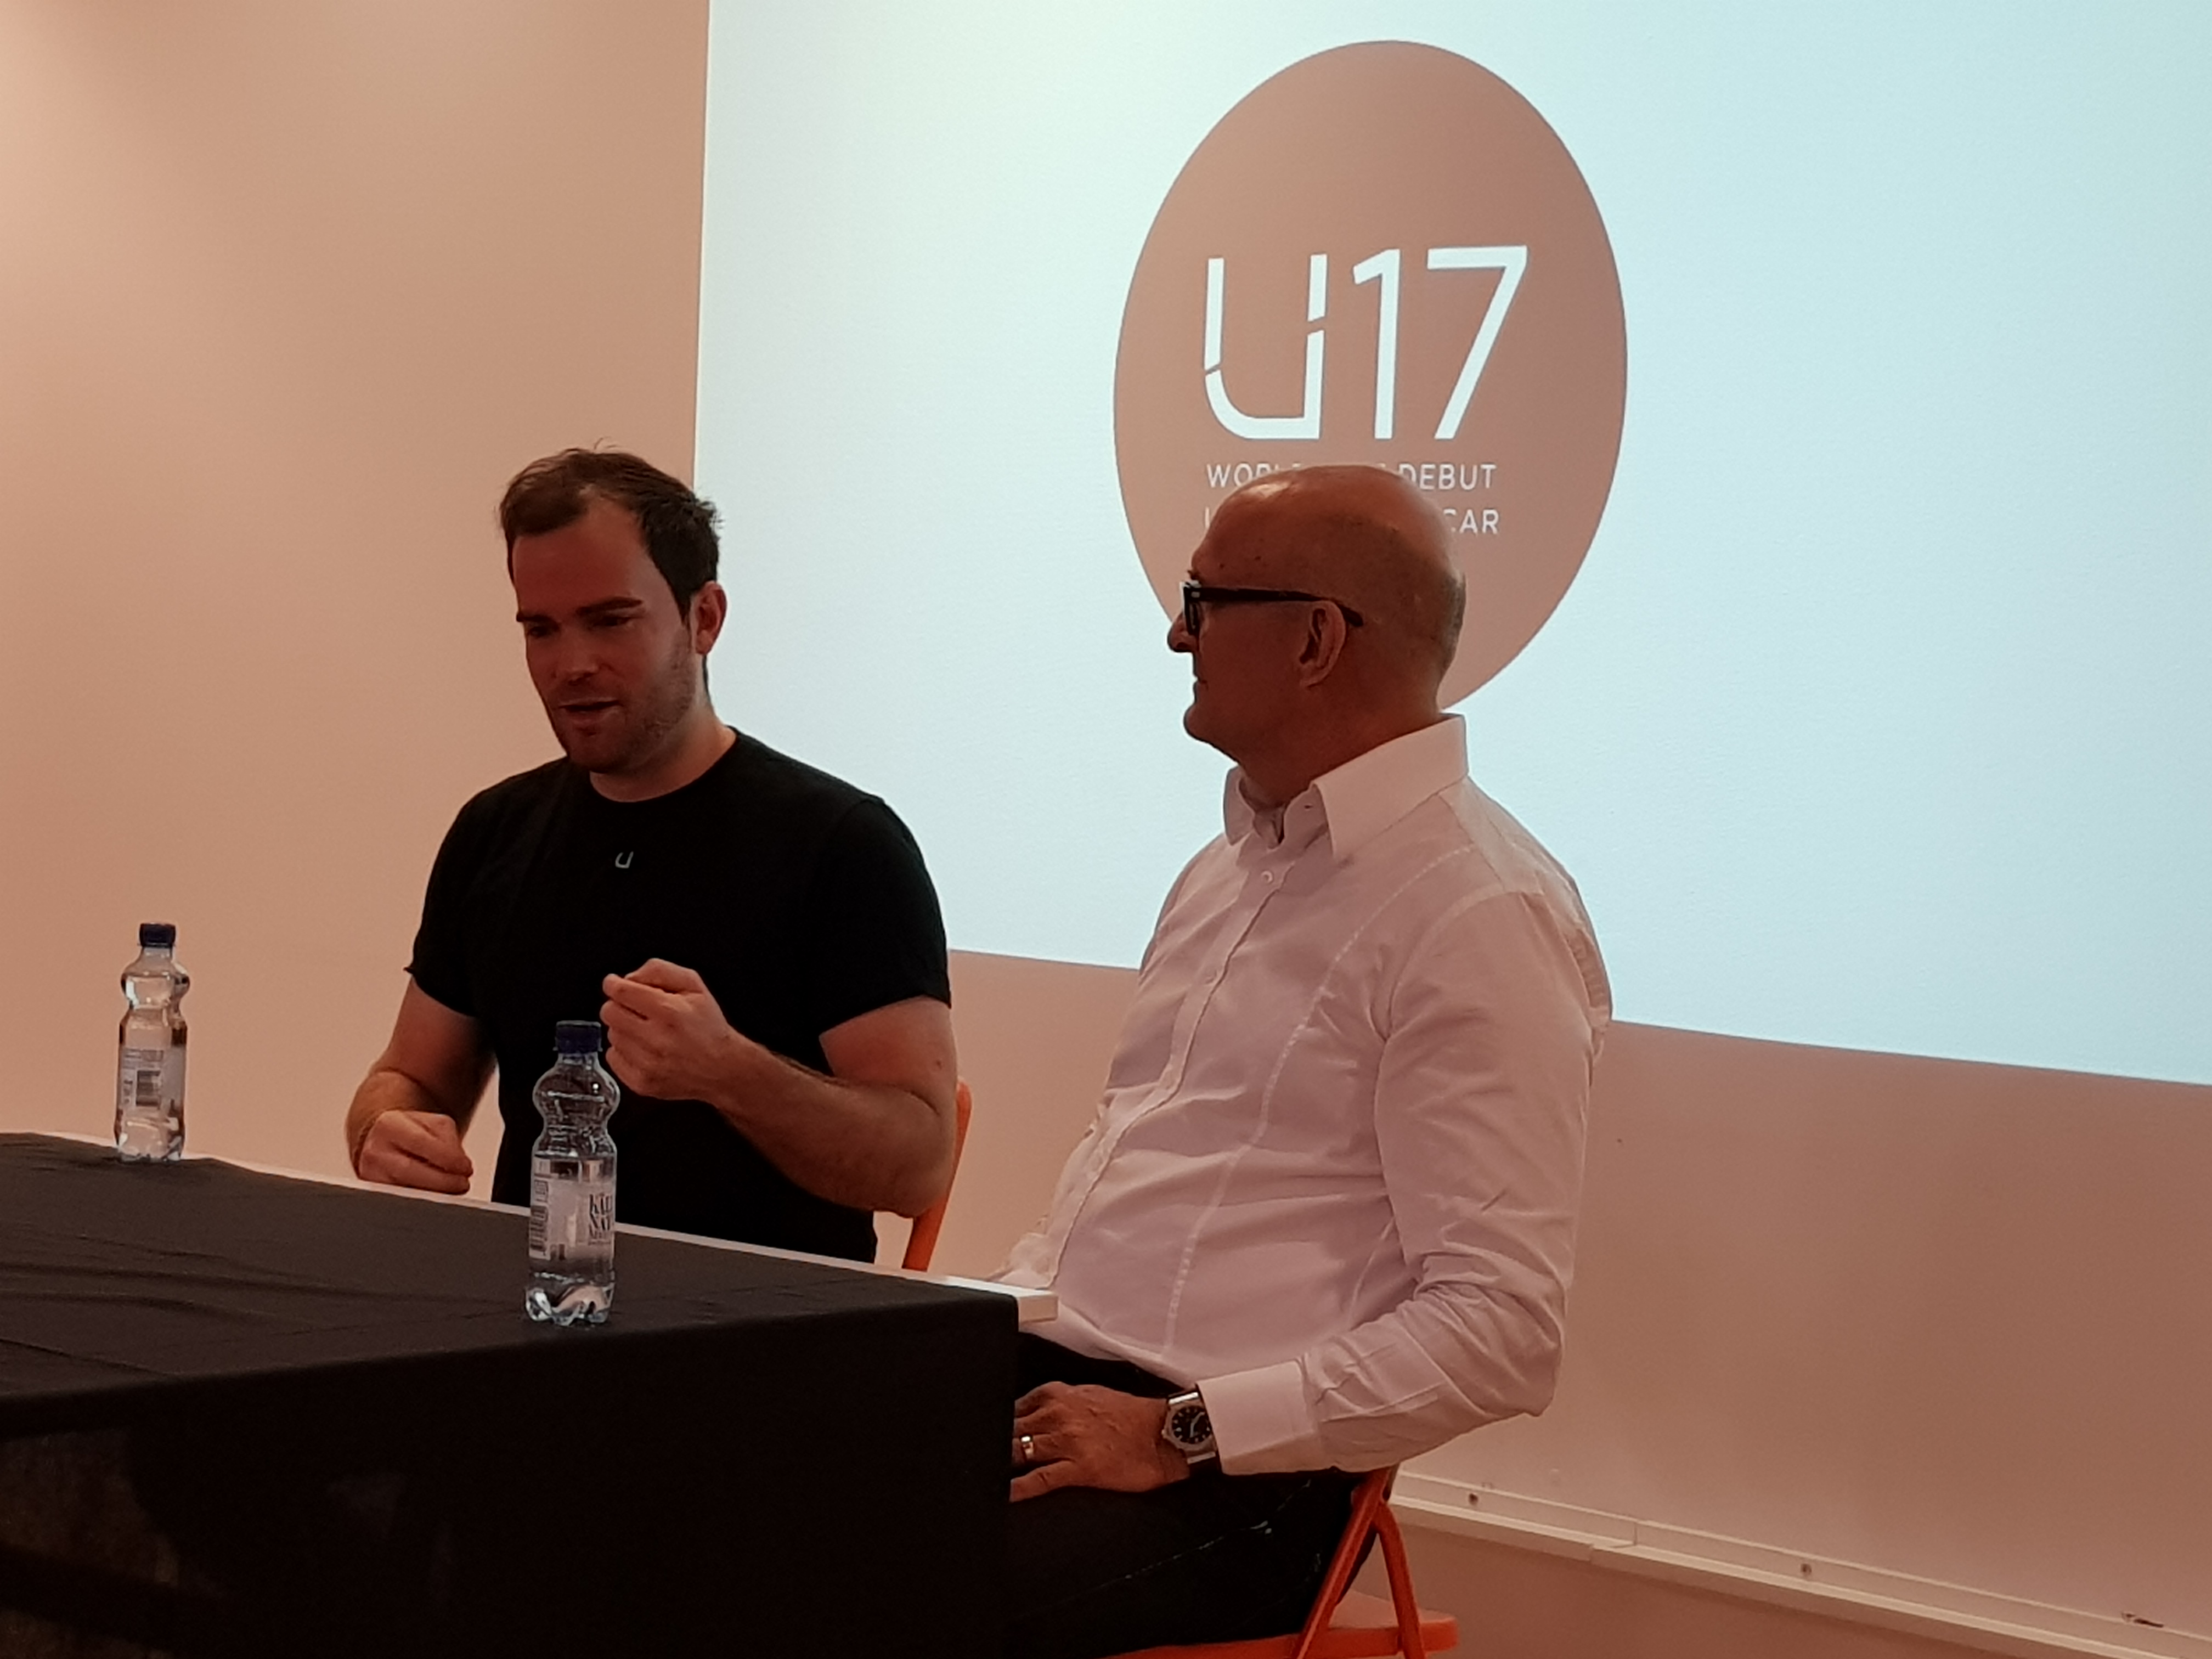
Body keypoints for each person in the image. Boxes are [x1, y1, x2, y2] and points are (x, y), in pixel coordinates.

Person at [995, 465, 1611, 1657]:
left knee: (858, 1584)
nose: (1175, 634)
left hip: (1228, 1472)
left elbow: (1501, 1330)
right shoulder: (1226, 868)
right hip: (1056, 1378)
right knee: (709, 1491)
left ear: (1317, 639)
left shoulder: (1480, 910)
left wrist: (1178, 1432)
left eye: (1203, 601)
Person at [345, 449, 958, 1257]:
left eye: (610, 620)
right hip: (535, 1309)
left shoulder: (843, 844)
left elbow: (918, 1164)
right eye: (541, 629)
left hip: (767, 1324)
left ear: (704, 619)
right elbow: (412, 1077)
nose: (572, 665)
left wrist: (728, 1072)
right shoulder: (494, 832)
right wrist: (383, 1129)